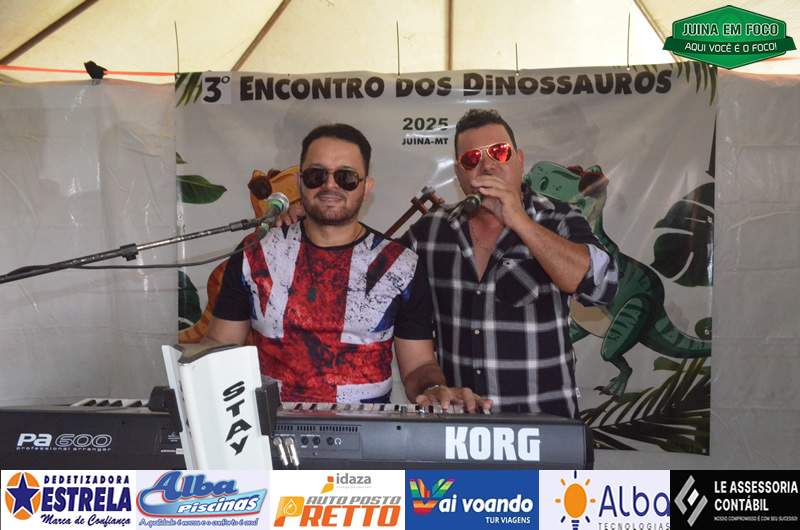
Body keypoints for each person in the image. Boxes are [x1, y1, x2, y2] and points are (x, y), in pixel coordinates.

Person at [203, 123, 489, 412]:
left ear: (366, 187)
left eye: (346, 177)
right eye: (316, 175)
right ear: (300, 181)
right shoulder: (256, 254)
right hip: (268, 430)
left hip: (368, 433)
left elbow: (418, 365)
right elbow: (220, 346)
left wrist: (433, 390)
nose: (330, 186)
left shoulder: (400, 265)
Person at [401, 109, 618, 417]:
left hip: (544, 426)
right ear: (460, 174)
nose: (487, 165)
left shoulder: (558, 217)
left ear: (519, 160)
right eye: (472, 159)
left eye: (499, 152)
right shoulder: (430, 232)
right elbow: (388, 302)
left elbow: (602, 287)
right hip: (462, 430)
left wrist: (520, 221)